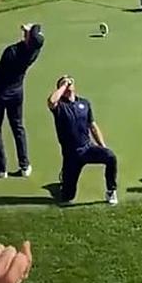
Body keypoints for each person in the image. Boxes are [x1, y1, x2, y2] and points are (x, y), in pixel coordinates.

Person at [0, 24, 45, 178]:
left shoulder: (11, 52)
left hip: (0, 93)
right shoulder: (35, 50)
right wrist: (28, 31)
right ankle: (24, 166)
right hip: (17, 93)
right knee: (18, 127)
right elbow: (32, 38)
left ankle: (1, 168)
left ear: (28, 39)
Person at [47, 75, 118, 205]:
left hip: (87, 148)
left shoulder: (84, 103)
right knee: (67, 197)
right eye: (64, 84)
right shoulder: (60, 107)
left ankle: (111, 191)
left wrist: (102, 146)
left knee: (110, 157)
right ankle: (62, 184)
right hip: (71, 155)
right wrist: (63, 86)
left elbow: (93, 126)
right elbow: (51, 101)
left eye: (70, 83)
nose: (68, 86)